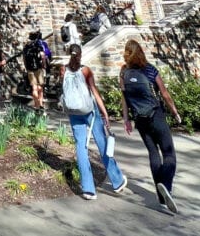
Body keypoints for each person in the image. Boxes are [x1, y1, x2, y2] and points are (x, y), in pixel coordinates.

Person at [119, 38, 182, 213]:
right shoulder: (150, 70)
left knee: (153, 153)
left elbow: (124, 98)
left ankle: (161, 199)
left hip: (140, 119)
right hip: (156, 116)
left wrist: (126, 119)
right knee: (169, 153)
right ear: (141, 52)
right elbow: (164, 93)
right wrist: (175, 112)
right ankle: (166, 185)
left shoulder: (123, 73)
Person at [61, 43, 126, 200]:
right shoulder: (85, 70)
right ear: (81, 54)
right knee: (102, 142)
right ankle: (117, 181)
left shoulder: (63, 70)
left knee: (81, 147)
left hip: (73, 111)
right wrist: (104, 112)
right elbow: (94, 92)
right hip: (90, 110)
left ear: (69, 54)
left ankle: (88, 189)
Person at [22, 30, 47, 111]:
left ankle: (36, 105)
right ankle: (40, 104)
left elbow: (24, 59)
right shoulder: (38, 45)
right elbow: (42, 56)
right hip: (38, 68)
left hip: (30, 69)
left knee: (34, 88)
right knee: (40, 87)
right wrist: (44, 65)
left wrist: (26, 68)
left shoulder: (26, 47)